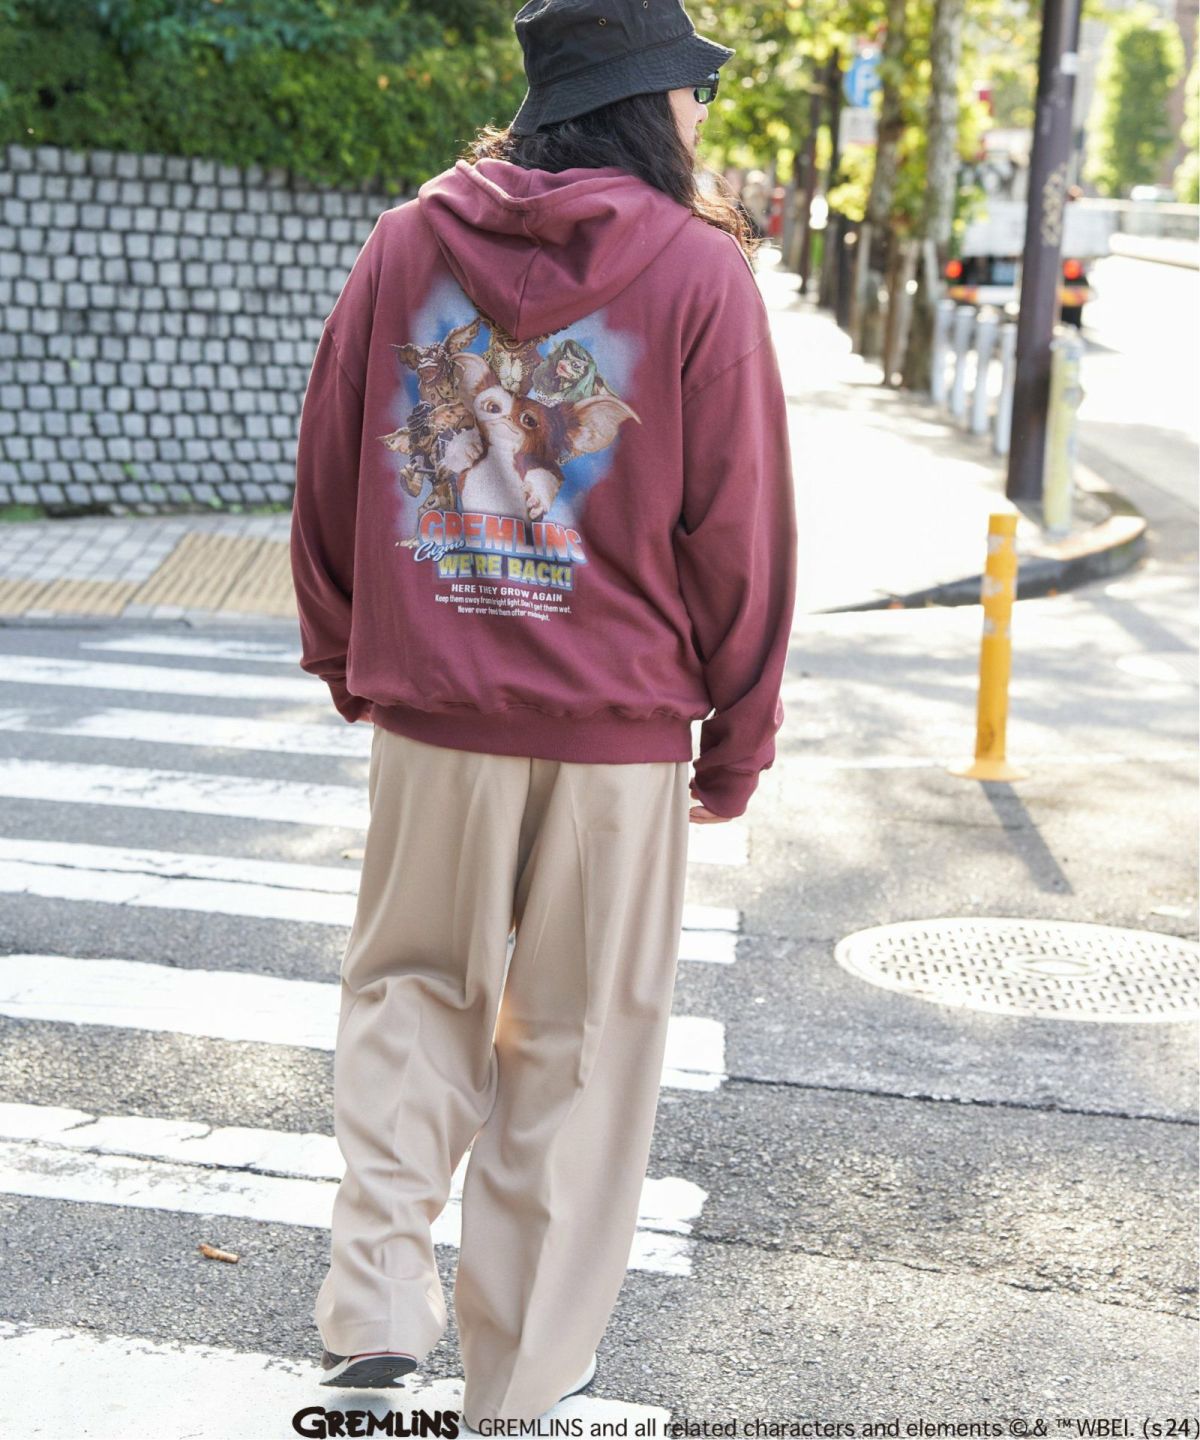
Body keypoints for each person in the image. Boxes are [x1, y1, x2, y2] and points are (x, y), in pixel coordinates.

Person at [289, 0, 798, 1426]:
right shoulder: (698, 274)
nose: (701, 112)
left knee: (410, 997)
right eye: (692, 89)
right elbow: (739, 528)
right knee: (575, 1048)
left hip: (436, 714)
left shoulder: (407, 244)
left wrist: (349, 651)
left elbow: (332, 459)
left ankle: (376, 1310)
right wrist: (740, 732)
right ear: (647, 100)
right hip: (615, 734)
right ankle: (515, 1385)